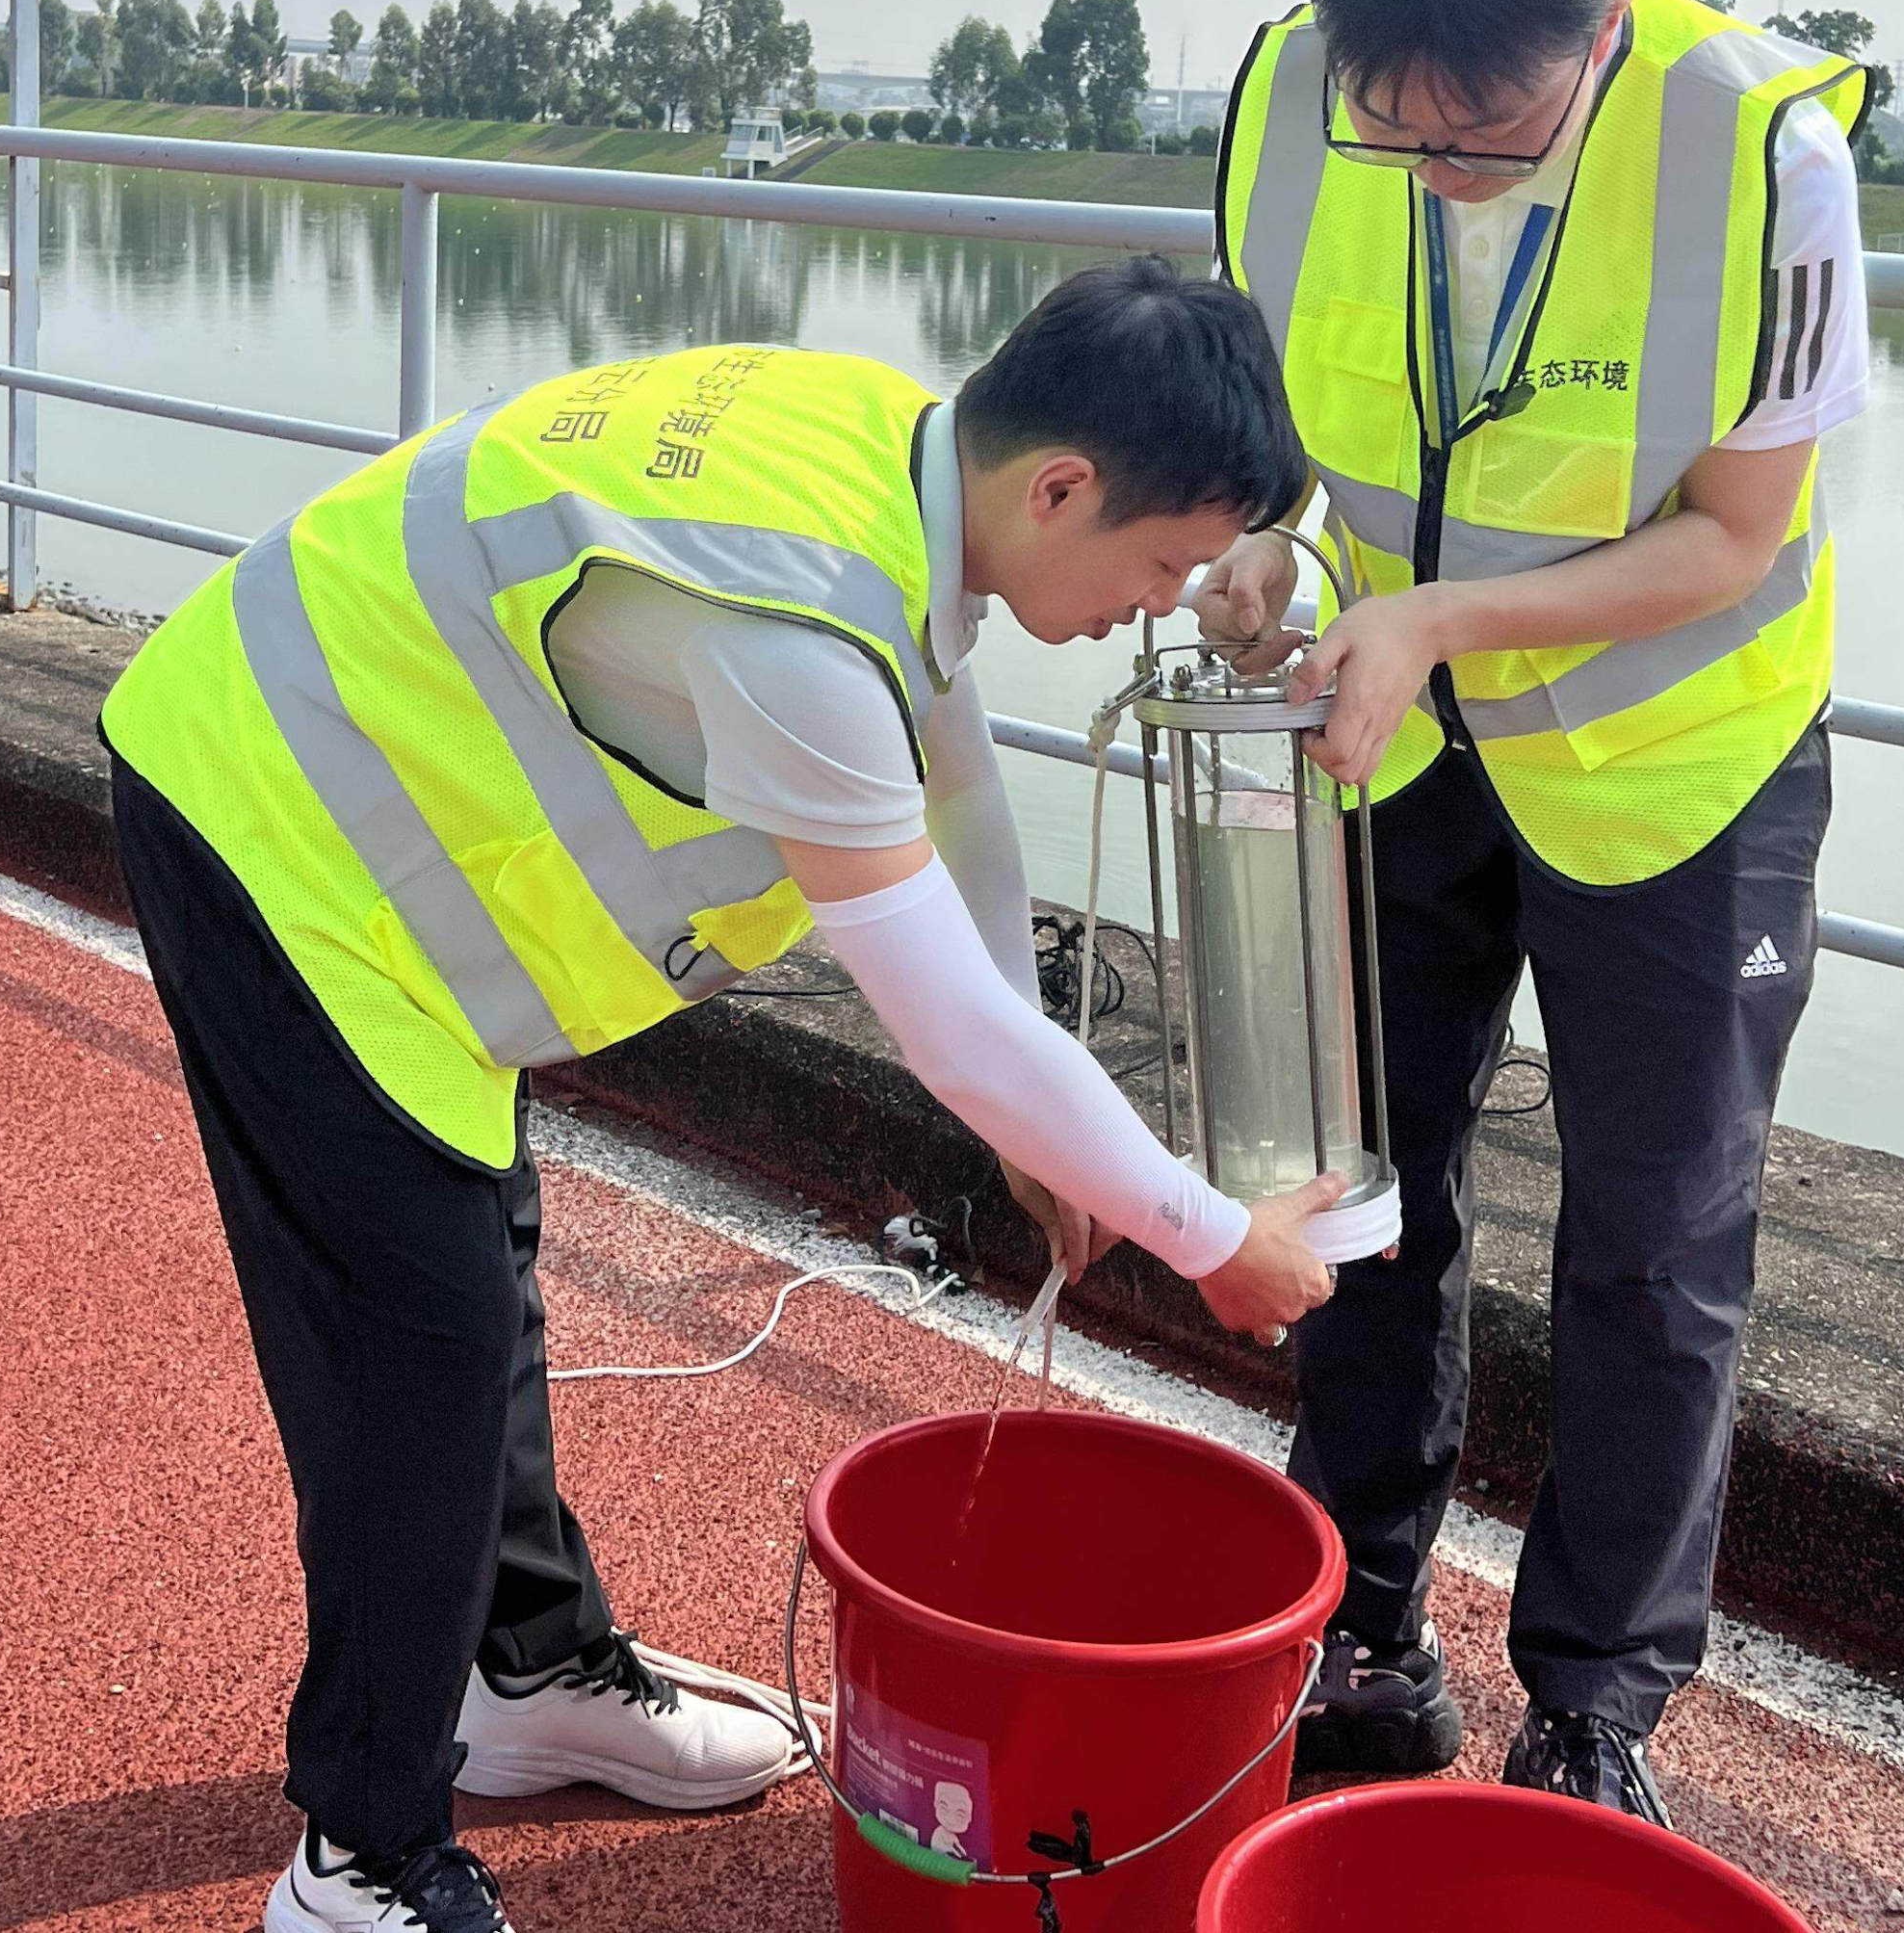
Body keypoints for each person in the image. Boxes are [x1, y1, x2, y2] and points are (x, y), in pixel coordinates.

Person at [103, 259, 1347, 1933]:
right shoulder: (801, 622)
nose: (1159, 601)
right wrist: (1206, 1235)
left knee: (477, 1281)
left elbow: (963, 805)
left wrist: (1038, 1143)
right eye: (1161, 561)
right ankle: (360, 1856)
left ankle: (526, 1668)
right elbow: (956, 1027)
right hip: (275, 822)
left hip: (372, 823)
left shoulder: (894, 464)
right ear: (1059, 487)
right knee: (418, 1355)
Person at [1191, 0, 1868, 1826]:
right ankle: (1363, 1628)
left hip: (1676, 763)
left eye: (1486, 129)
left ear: (1598, 25)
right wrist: (1268, 558)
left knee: (1656, 1239)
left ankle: (1593, 1702)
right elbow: (1293, 446)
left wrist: (1435, 615)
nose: (1441, 167)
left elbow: (1740, 540)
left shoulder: (1765, 155)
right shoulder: (1293, 105)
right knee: (1365, 1191)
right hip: (1395, 737)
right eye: (1397, 131)